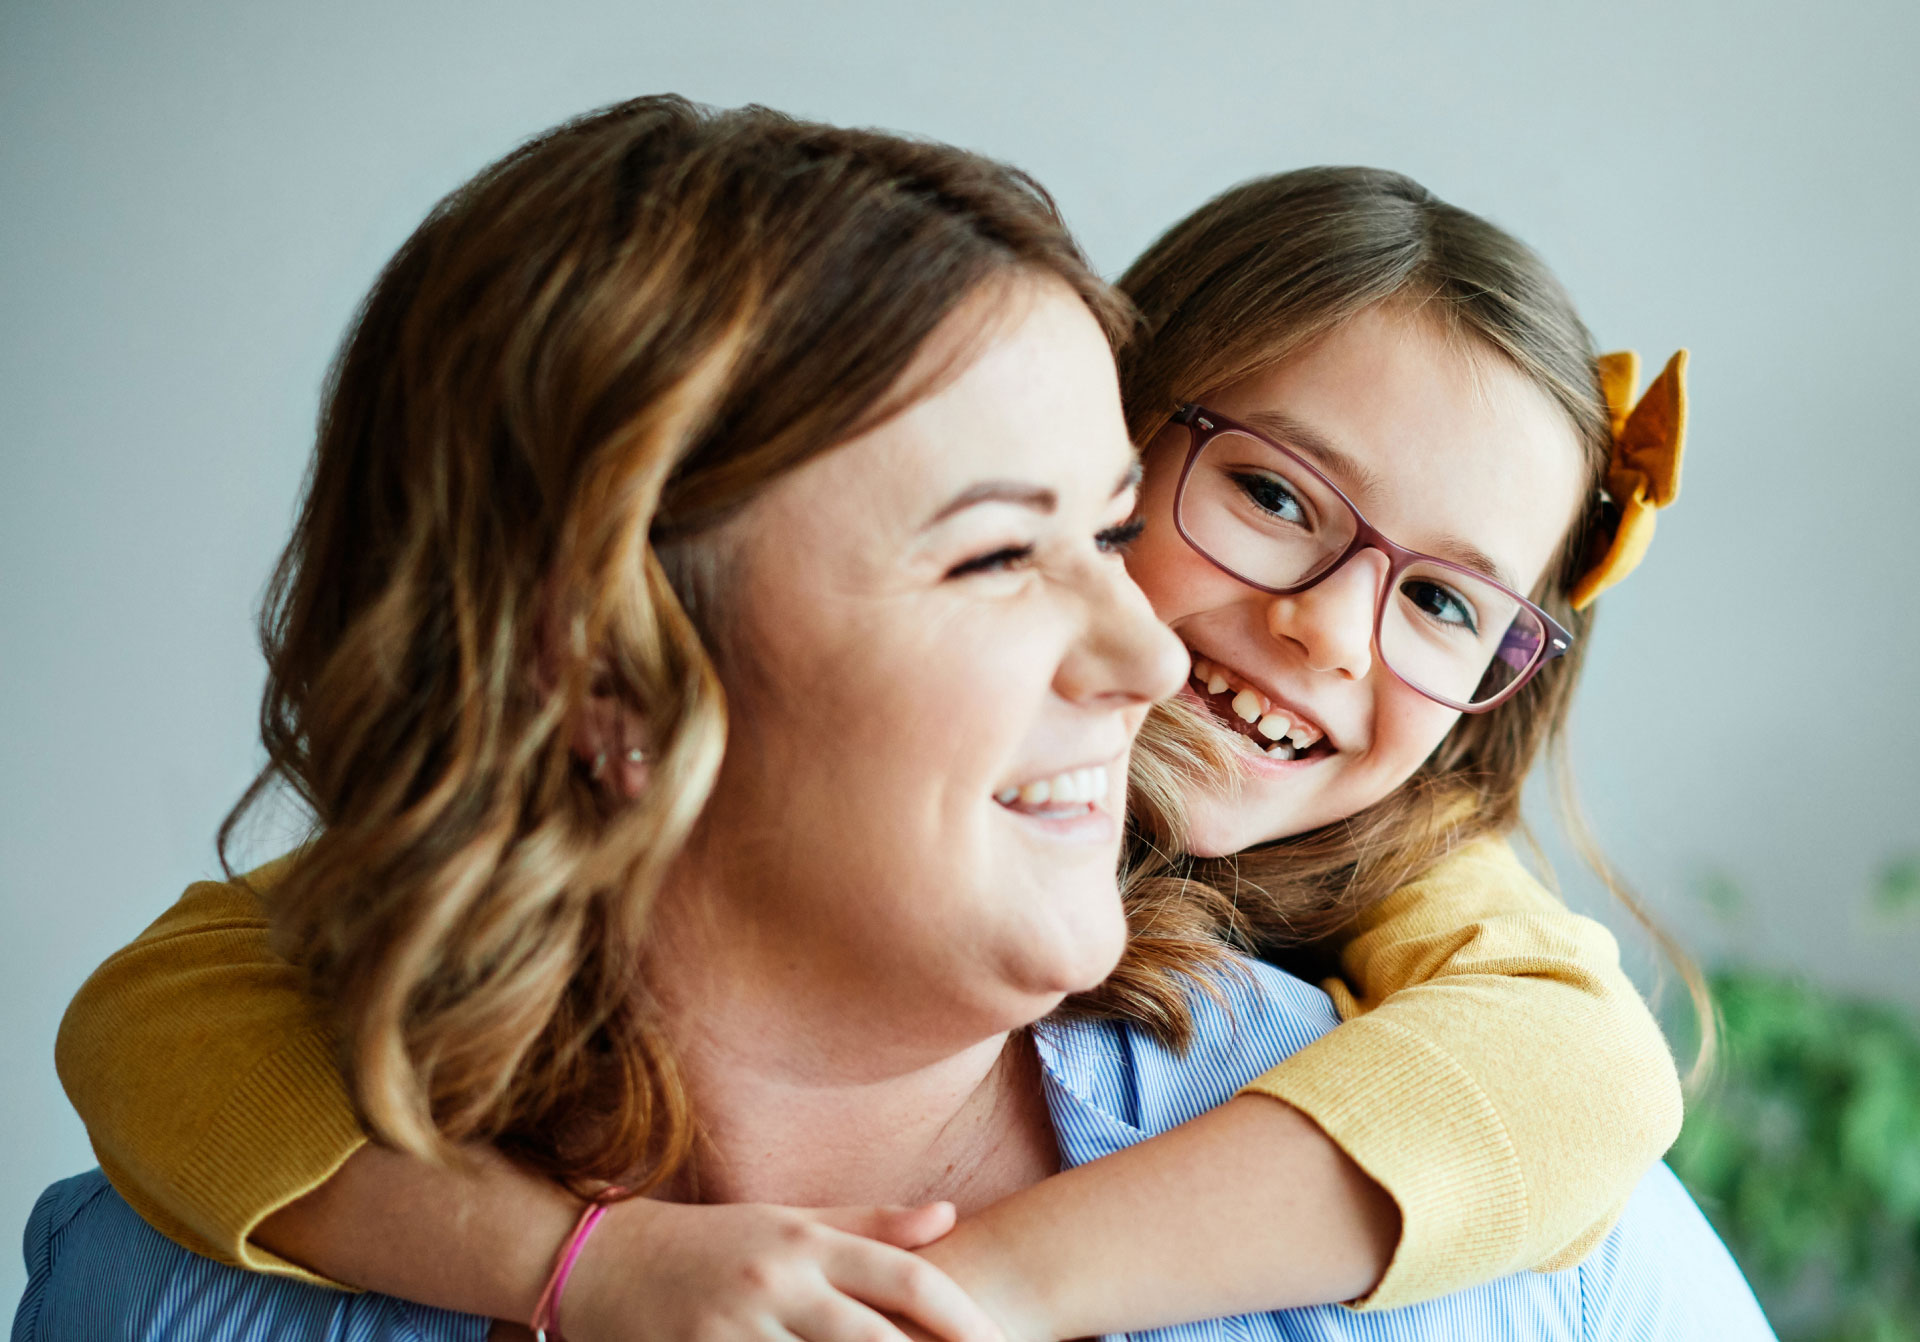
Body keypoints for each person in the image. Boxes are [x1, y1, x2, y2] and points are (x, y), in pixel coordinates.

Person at [20, 99, 1767, 1341]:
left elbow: (1585, 1073)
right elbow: (152, 1019)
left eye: (1448, 602)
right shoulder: (168, 1269)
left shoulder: (1443, 999)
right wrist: (571, 1266)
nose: (1312, 632)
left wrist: (987, 1286)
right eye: (1268, 497)